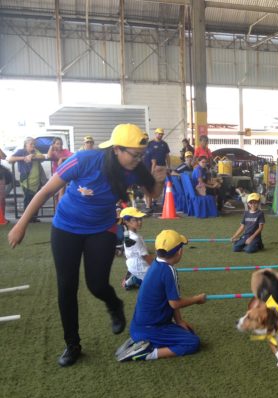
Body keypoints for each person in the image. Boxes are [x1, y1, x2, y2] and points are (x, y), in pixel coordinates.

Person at [8, 123, 165, 367]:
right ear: (116, 149)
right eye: (135, 154)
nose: (139, 159)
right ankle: (72, 344)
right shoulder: (84, 160)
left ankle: (114, 304)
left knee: (97, 284)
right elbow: (45, 191)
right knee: (66, 287)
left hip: (101, 230)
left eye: (141, 154)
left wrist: (157, 181)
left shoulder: (134, 168)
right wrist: (21, 225)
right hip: (66, 228)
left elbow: (153, 194)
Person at [116, 229, 206, 362]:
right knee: (192, 342)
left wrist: (179, 321)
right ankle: (146, 352)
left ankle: (141, 341)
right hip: (153, 327)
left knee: (189, 331)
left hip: (140, 325)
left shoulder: (155, 265)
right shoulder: (169, 271)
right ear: (179, 251)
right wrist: (196, 299)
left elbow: (171, 300)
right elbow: (174, 303)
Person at [9, 137, 47, 221]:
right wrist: (24, 158)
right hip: (26, 180)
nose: (33, 146)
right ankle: (26, 219)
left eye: (34, 144)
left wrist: (32, 156)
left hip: (37, 180)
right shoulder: (21, 151)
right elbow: (10, 159)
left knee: (36, 199)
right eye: (31, 144)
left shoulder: (35, 151)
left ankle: (34, 218)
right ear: (25, 145)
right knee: (28, 200)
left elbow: (43, 157)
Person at [119, 207, 153, 290]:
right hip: (139, 266)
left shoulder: (128, 234)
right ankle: (134, 279)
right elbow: (145, 257)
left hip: (134, 264)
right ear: (126, 222)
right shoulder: (134, 238)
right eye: (135, 220)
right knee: (158, 284)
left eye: (140, 219)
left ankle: (132, 276)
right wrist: (157, 267)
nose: (140, 222)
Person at [142, 128, 170, 212]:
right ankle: (149, 204)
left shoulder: (164, 144)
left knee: (159, 186)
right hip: (153, 168)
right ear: (155, 133)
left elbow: (167, 156)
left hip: (161, 167)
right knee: (150, 186)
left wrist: (168, 166)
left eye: (162, 134)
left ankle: (153, 203)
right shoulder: (150, 144)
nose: (160, 135)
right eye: (159, 134)